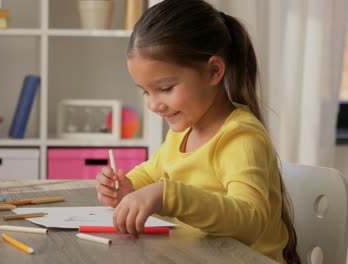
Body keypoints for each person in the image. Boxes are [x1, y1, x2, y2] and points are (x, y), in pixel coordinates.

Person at [95, 0, 301, 263]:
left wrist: (169, 195)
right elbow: (151, 172)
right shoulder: (182, 132)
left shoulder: (241, 138)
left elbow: (251, 219)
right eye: (145, 91)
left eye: (166, 88)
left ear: (214, 71)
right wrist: (127, 187)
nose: (153, 104)